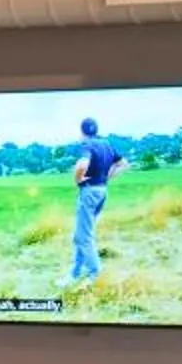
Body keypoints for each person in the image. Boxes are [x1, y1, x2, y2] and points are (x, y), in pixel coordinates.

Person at [68, 118, 127, 283]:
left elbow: (81, 166)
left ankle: (95, 274)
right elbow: (123, 164)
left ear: (82, 132)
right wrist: (108, 176)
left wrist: (78, 180)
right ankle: (75, 273)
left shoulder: (88, 146)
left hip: (89, 192)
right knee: (81, 234)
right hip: (102, 191)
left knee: (84, 237)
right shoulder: (106, 145)